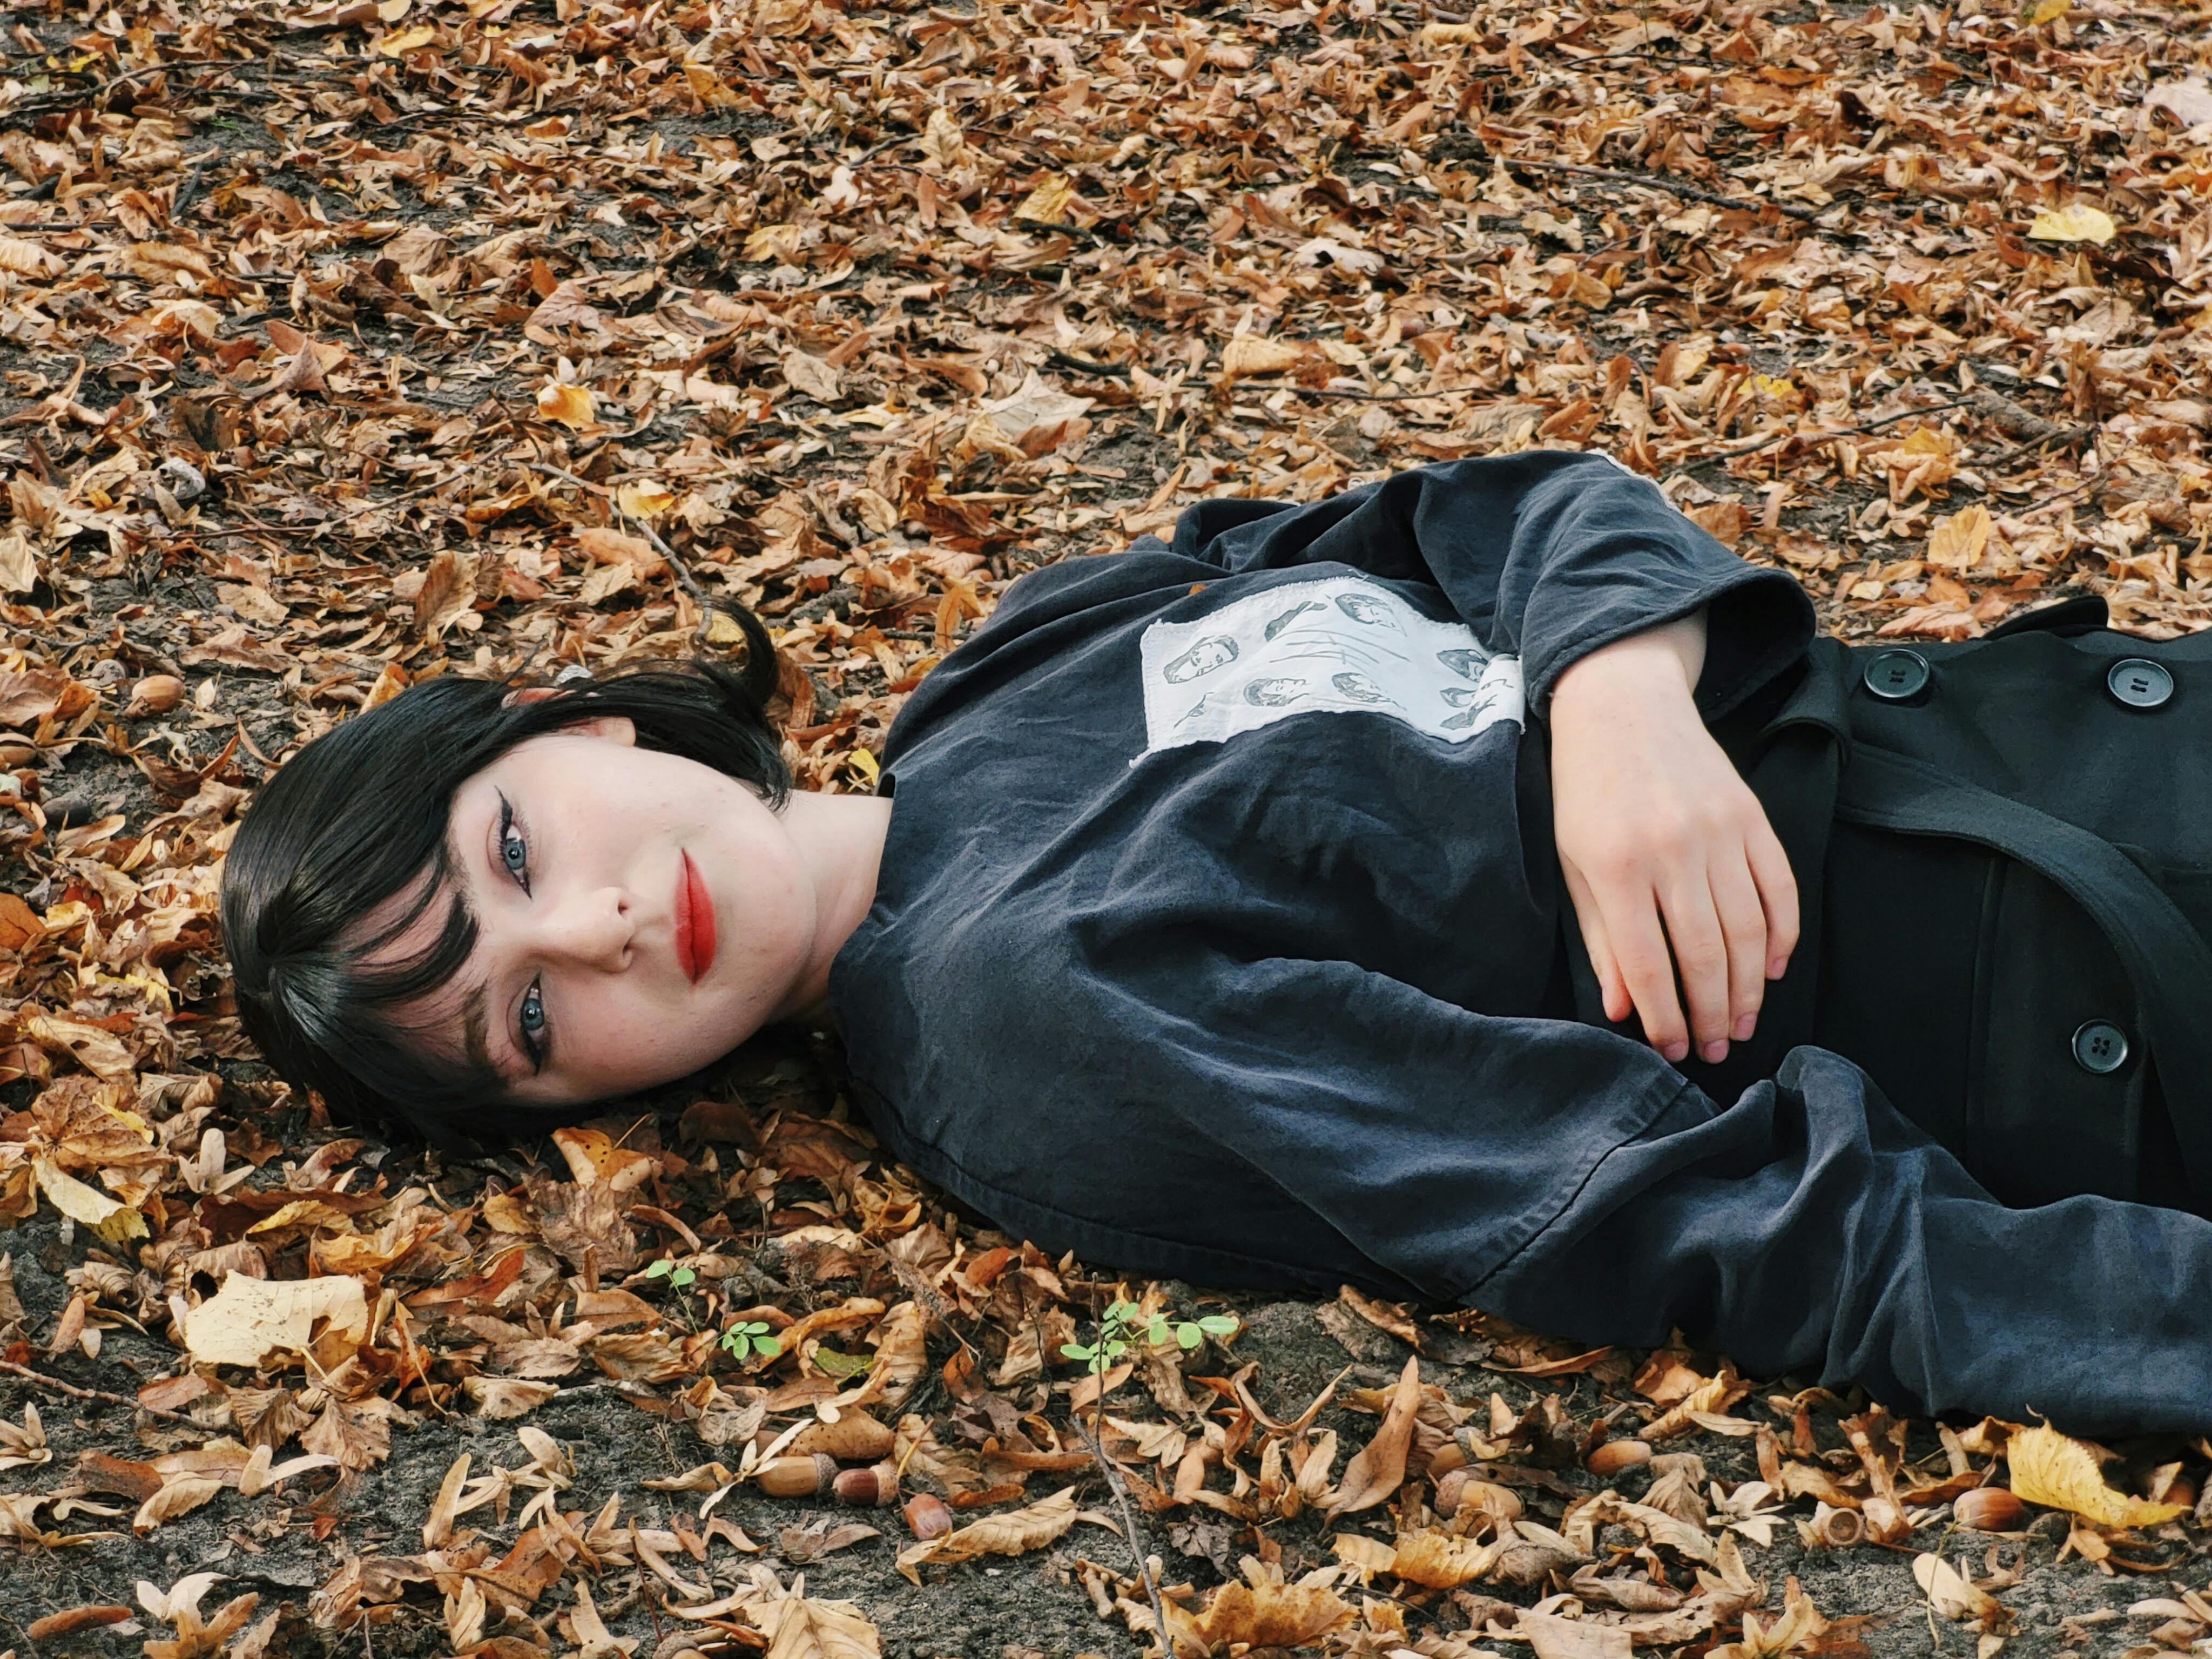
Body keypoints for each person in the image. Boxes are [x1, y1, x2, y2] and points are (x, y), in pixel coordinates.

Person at [220, 451, 2212, 1434]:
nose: (603, 928)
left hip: (2098, 726)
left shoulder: (1000, 675)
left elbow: (1490, 511)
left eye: (515, 849)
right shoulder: (1013, 1024)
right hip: (2099, 980)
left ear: (572, 728)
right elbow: (1695, 1215)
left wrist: (1614, 690)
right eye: (533, 1017)